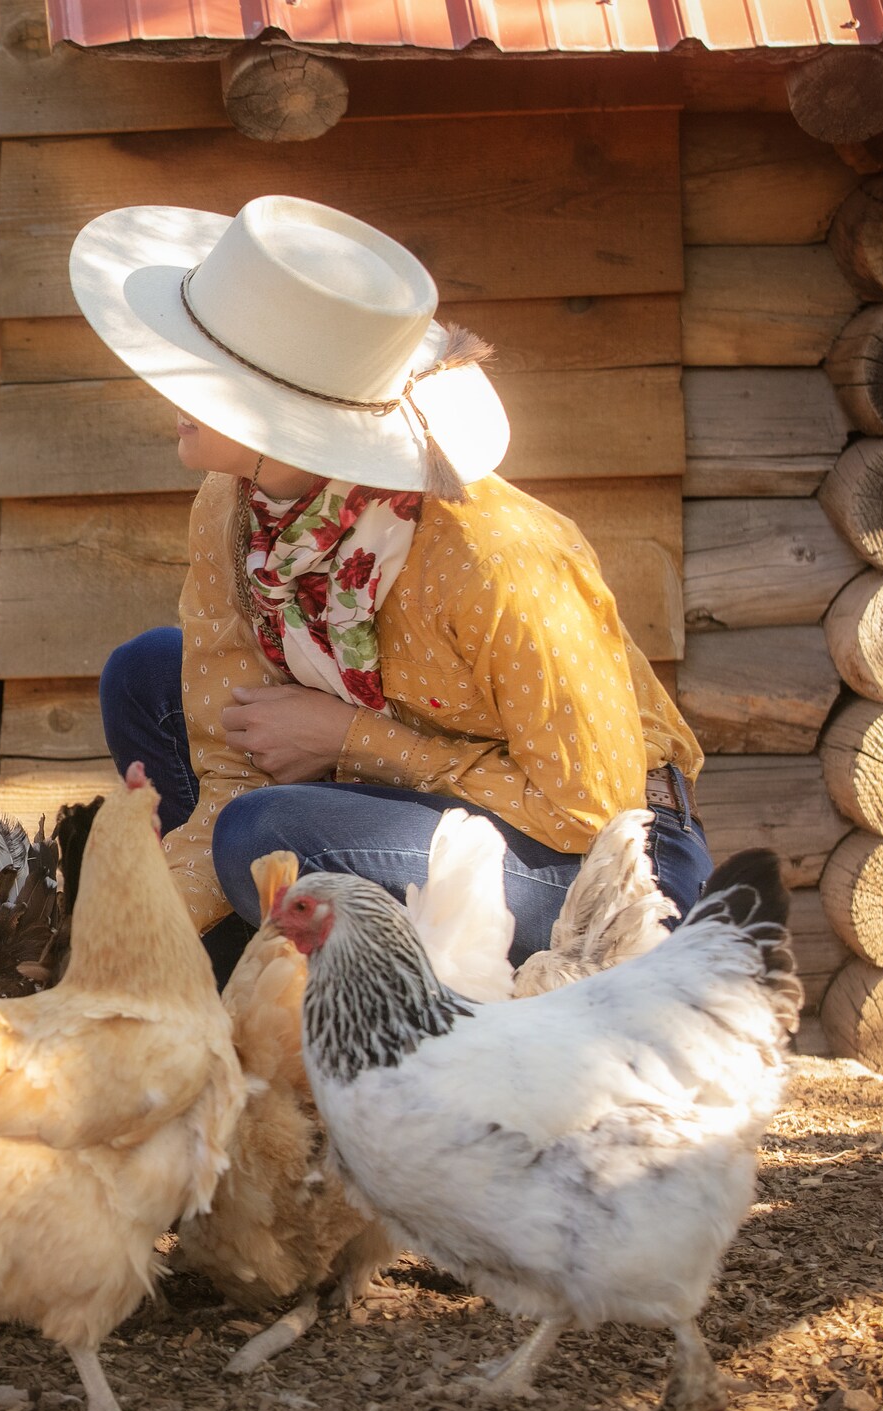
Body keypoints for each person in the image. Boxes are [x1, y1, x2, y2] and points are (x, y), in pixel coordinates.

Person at [69, 196, 709, 979]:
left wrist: (345, 737)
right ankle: (227, 984)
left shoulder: (495, 556)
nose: (167, 381)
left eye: (204, 369)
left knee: (262, 835)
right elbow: (228, 761)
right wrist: (123, 941)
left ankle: (353, 999)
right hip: (391, 799)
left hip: (605, 862)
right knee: (147, 680)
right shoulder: (233, 507)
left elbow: (591, 809)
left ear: (287, 415)